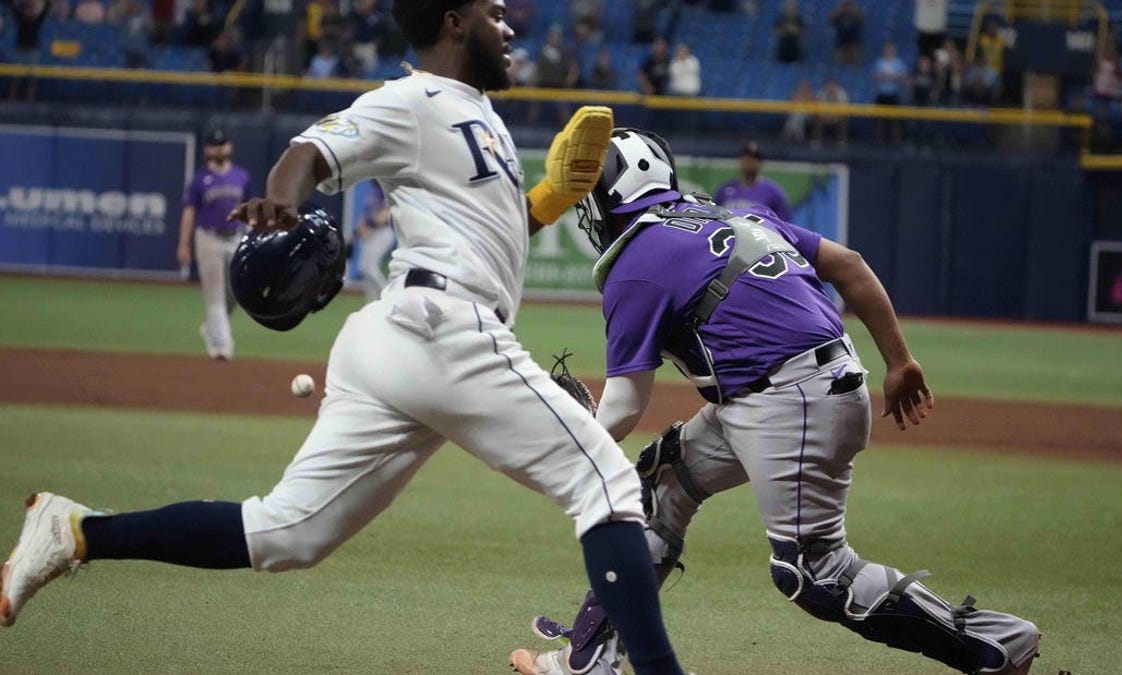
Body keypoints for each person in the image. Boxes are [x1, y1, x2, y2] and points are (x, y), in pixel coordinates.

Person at [0, 5, 692, 675]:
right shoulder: (414, 99)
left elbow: (492, 238)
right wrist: (284, 198)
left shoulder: (479, 114)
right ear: (453, 23)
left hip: (400, 339)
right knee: (606, 481)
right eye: (494, 12)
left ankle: (75, 530)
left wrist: (546, 197)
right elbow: (311, 149)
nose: (509, 28)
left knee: (286, 534)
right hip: (440, 326)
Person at [507, 127, 1042, 675]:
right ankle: (591, 659)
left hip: (791, 400)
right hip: (777, 394)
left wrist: (564, 439)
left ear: (611, 195)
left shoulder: (637, 262)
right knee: (660, 481)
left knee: (814, 574)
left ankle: (993, 645)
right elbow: (850, 265)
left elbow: (622, 408)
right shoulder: (735, 217)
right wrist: (900, 362)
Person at [176, 128, 254, 361]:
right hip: (208, 238)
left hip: (236, 236)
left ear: (229, 147)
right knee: (215, 295)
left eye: (222, 144)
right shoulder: (200, 179)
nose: (218, 148)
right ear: (207, 149)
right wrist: (183, 244)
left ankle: (213, 328)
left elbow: (250, 209)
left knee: (238, 293)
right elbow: (189, 211)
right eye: (214, 145)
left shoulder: (242, 176)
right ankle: (222, 347)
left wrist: (252, 236)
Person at [713, 140, 791, 221]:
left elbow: (784, 223)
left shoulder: (773, 192)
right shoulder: (725, 190)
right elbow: (714, 217)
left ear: (761, 163)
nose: (749, 162)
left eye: (754, 159)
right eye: (745, 158)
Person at [354, 179, 393, 303]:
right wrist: (356, 234)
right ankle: (371, 302)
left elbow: (386, 214)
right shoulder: (373, 191)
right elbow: (366, 215)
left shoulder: (386, 191)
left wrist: (371, 225)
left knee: (370, 268)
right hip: (372, 233)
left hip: (384, 232)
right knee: (363, 269)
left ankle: (389, 298)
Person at [829, 0, 864, 65]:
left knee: (856, 63)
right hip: (841, 43)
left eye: (848, 5)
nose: (846, 7)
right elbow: (830, 20)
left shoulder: (855, 15)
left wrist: (854, 12)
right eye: (845, 5)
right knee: (838, 63)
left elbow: (862, 22)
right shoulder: (839, 16)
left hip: (854, 43)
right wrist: (839, 11)